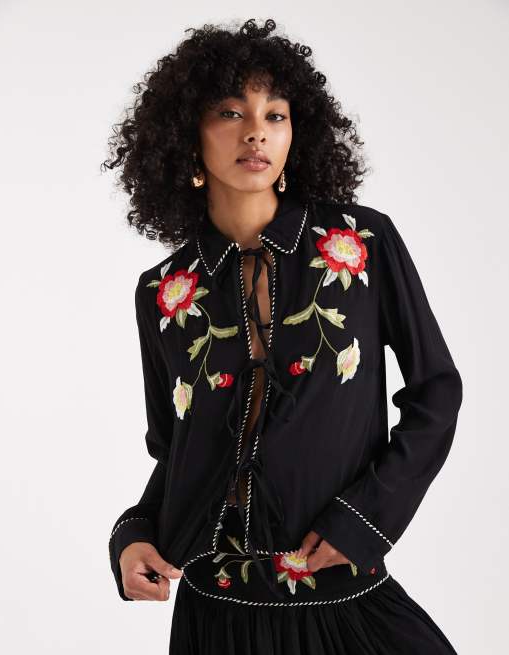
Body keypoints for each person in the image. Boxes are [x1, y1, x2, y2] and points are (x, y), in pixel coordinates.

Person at [103, 17, 463, 654]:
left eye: (275, 114)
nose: (256, 131)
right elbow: (177, 452)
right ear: (186, 134)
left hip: (344, 594)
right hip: (216, 617)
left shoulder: (362, 243)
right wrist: (132, 536)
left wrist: (367, 518)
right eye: (229, 112)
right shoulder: (162, 292)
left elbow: (436, 391)